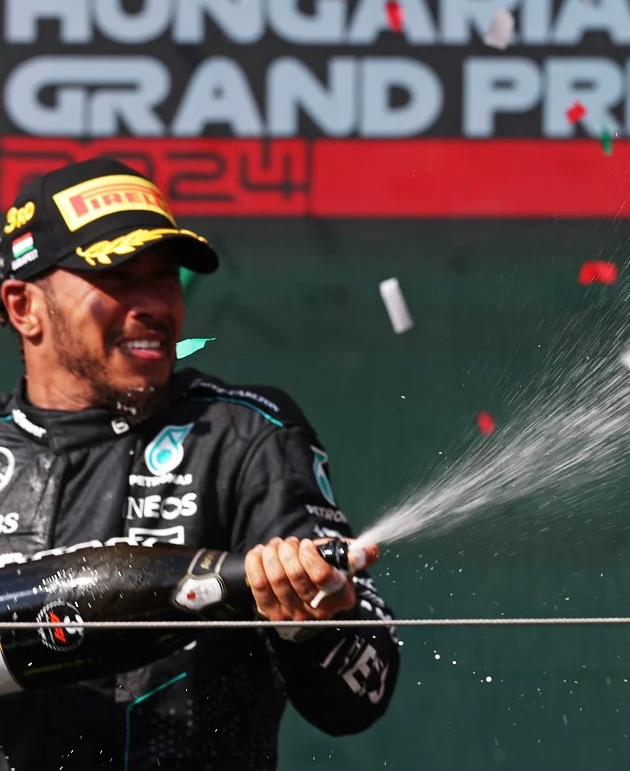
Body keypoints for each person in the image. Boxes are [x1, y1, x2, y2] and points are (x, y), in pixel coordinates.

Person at [0, 158, 399, 769]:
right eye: (117, 277)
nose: (153, 305)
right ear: (24, 306)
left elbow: (363, 695)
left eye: (164, 277)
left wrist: (311, 623)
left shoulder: (243, 436)